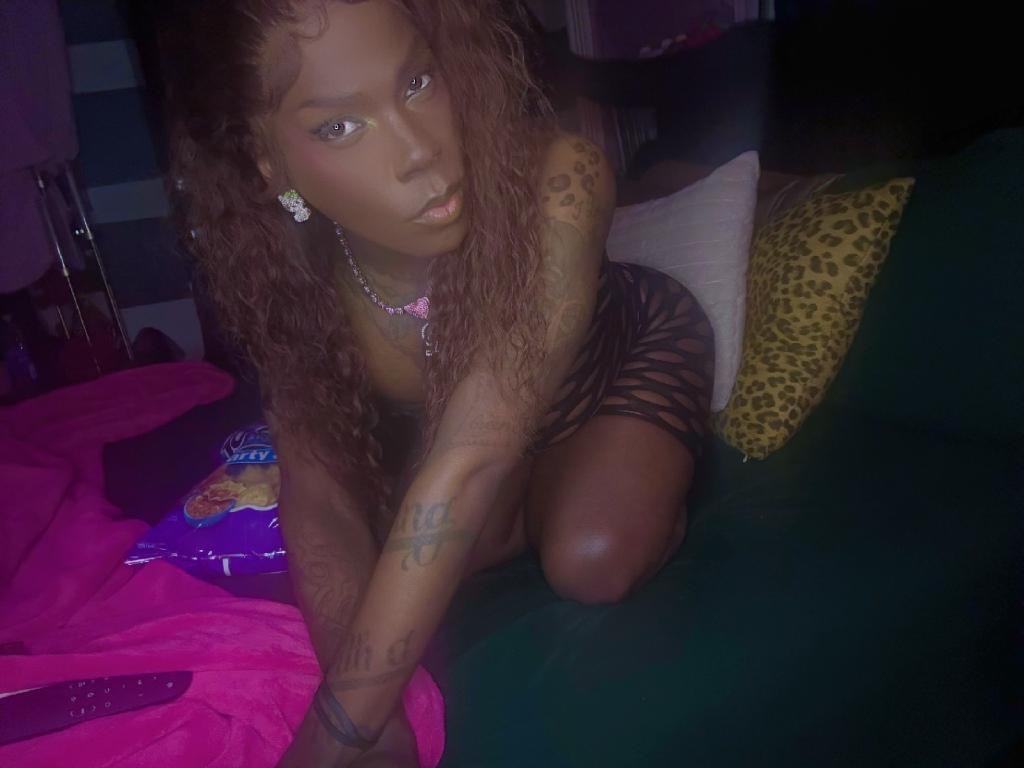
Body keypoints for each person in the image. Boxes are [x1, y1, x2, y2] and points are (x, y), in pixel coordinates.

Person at [164, 1, 714, 764]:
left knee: (591, 556)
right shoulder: (294, 273)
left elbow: (469, 460)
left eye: (418, 82)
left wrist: (331, 737)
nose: (420, 151)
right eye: (340, 126)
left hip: (619, 357)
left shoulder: (560, 179)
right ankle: (535, 491)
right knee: (420, 556)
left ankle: (631, 468)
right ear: (269, 160)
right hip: (488, 425)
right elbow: (318, 496)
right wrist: (379, 720)